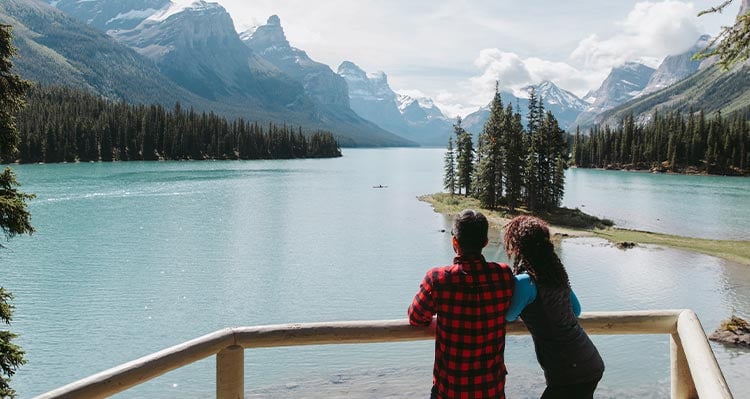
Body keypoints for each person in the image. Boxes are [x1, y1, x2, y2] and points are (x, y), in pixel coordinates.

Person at [409, 209, 514, 399]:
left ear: (455, 242)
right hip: (491, 389)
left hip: (450, 390)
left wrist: (438, 322)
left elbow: (416, 317)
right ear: (485, 243)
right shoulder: (504, 275)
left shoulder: (438, 278)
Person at [504, 215, 604, 399]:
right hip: (589, 361)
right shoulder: (555, 276)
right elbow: (576, 310)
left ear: (520, 248)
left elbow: (509, 316)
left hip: (569, 371)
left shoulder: (526, 282)